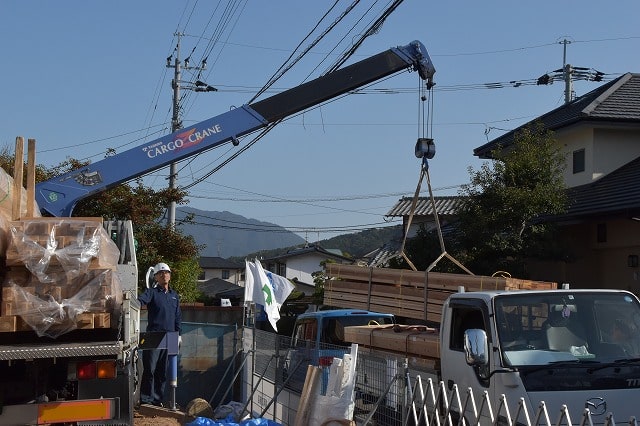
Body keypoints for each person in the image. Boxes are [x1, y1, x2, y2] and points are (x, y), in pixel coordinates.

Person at [138, 262, 182, 407]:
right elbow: (140, 301)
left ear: (170, 275)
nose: (164, 275)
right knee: (149, 369)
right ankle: (146, 400)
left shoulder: (174, 295)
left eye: (167, 272)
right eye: (161, 273)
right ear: (156, 277)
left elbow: (177, 317)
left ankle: (157, 400)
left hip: (170, 336)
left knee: (162, 371)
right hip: (153, 335)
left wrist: (178, 335)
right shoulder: (152, 292)